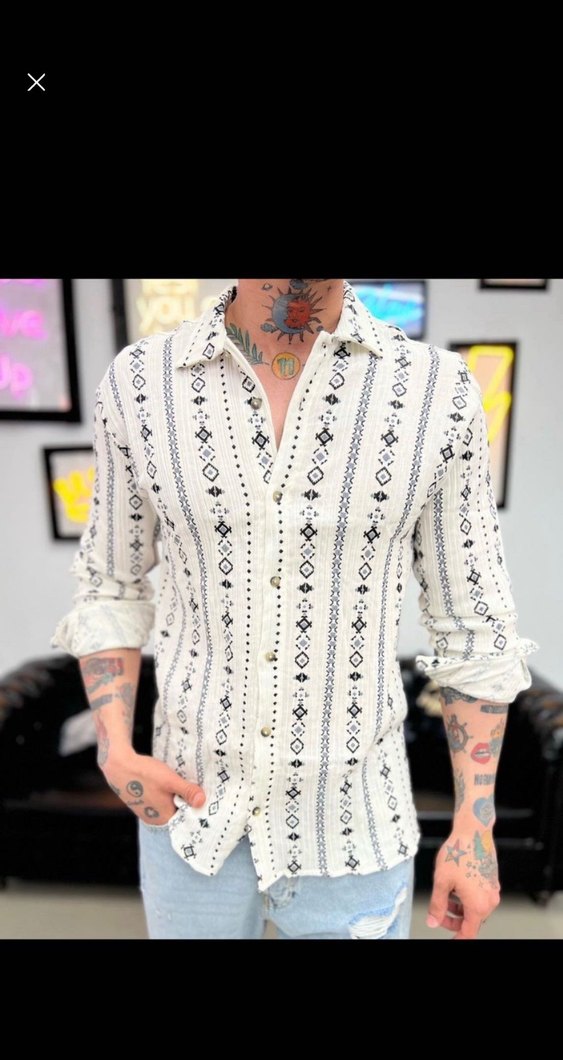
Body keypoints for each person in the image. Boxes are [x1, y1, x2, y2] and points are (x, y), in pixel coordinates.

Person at [51, 279, 539, 940]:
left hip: (356, 831)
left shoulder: (435, 391)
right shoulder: (141, 384)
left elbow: (473, 623)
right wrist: (113, 747)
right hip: (190, 818)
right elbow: (110, 581)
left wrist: (473, 825)